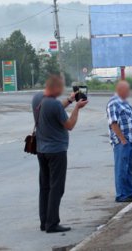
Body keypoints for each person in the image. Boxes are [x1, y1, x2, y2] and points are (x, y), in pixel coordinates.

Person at [32, 75, 88, 233]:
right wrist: (76, 108)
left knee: (45, 187)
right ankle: (52, 223)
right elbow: (69, 125)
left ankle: (44, 222)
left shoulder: (37, 98)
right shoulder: (54, 105)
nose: (62, 91)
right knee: (57, 187)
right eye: (61, 88)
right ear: (55, 88)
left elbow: (54, 111)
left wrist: (70, 101)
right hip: (56, 151)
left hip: (41, 150)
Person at [106, 80, 132, 203]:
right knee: (121, 168)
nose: (128, 92)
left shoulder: (124, 103)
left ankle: (130, 192)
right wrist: (122, 139)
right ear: (120, 90)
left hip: (130, 140)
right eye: (126, 90)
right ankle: (121, 194)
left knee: (128, 167)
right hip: (122, 142)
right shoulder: (113, 103)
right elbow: (113, 123)